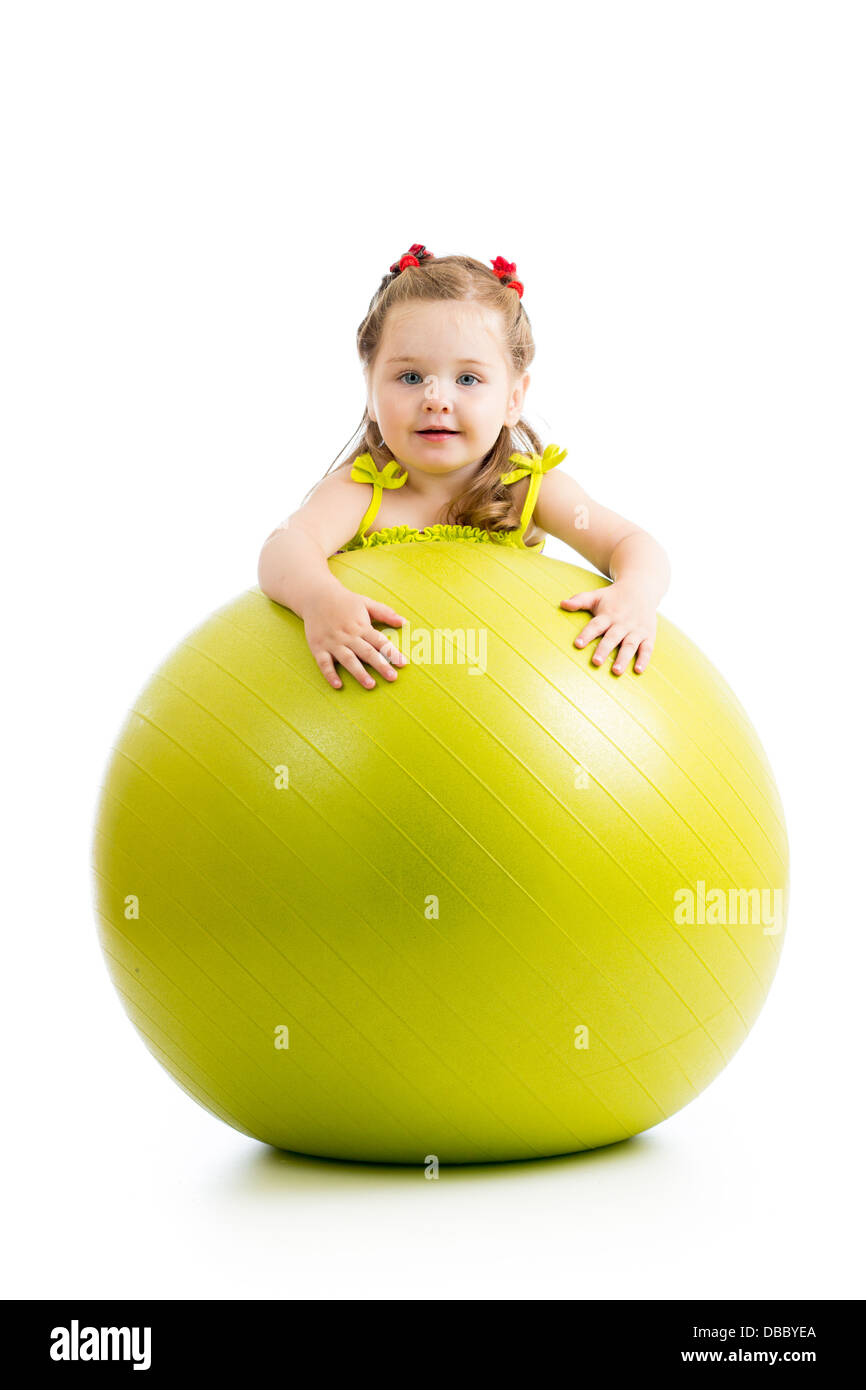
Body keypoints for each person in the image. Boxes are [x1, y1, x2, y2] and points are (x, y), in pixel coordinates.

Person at [258, 244, 670, 691]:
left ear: (513, 398)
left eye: (468, 379)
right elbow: (284, 548)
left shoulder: (526, 488)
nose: (437, 398)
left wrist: (635, 592)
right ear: (371, 393)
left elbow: (631, 543)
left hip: (504, 696)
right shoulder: (359, 490)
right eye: (410, 377)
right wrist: (322, 601)